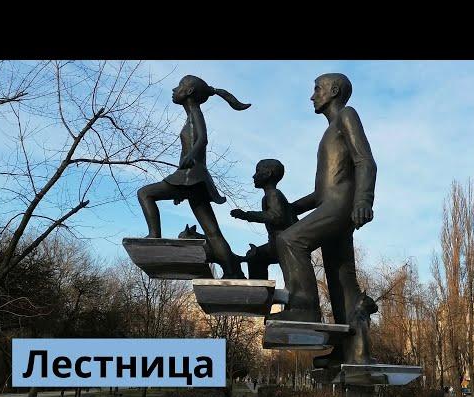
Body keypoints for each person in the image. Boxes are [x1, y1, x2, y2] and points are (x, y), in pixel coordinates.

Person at [269, 73, 377, 368]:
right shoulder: (330, 131)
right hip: (331, 204)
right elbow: (321, 192)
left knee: (290, 240)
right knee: (341, 279)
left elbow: (365, 161)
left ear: (334, 91)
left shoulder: (347, 115)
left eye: (317, 89)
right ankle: (350, 350)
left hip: (341, 207)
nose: (312, 95)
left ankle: (303, 306)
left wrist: (364, 200)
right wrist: (293, 207)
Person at [137, 75, 250, 279]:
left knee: (145, 193)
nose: (174, 89)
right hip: (192, 178)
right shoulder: (191, 114)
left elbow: (203, 139)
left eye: (179, 86)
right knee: (212, 232)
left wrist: (190, 158)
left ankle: (154, 235)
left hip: (191, 176)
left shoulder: (195, 113)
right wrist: (181, 184)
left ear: (189, 92)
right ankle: (233, 272)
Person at [230, 159, 297, 279]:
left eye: (257, 171)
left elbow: (276, 216)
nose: (254, 176)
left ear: (268, 174)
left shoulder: (274, 194)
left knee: (255, 257)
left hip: (284, 243)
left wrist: (246, 215)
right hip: (275, 243)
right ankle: (259, 288)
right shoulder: (268, 196)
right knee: (255, 256)